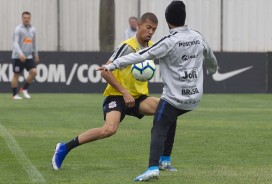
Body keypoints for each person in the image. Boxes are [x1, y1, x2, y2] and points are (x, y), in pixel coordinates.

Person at [99, 0, 218, 181]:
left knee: (159, 126)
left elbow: (141, 55)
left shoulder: (168, 41)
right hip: (194, 99)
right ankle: (165, 160)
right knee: (169, 116)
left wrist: (113, 64)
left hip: (175, 97)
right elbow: (210, 57)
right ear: (184, 18)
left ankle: (153, 167)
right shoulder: (198, 36)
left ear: (168, 21)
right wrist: (212, 69)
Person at [52, 12, 177, 172]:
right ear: (139, 26)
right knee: (109, 129)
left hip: (138, 98)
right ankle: (64, 147)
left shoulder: (152, 47)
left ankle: (164, 159)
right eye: (148, 28)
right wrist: (124, 92)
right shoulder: (127, 46)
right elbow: (105, 71)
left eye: (154, 29)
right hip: (118, 96)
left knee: (169, 109)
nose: (151, 32)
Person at [11, 11, 40, 100]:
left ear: (30, 19)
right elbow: (15, 43)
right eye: (25, 18)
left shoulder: (33, 29)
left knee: (34, 72)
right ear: (22, 18)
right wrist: (20, 54)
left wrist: (36, 54)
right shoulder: (18, 29)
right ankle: (14, 95)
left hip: (28, 56)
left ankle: (24, 89)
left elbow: (34, 43)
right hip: (18, 56)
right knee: (17, 75)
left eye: (28, 18)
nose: (26, 19)